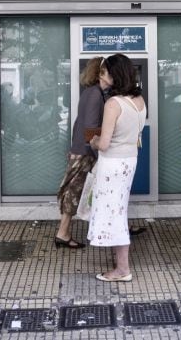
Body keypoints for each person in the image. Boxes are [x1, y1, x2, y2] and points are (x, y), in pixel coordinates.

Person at [87, 54, 146, 282]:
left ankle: (122, 269)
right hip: (129, 161)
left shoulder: (113, 104)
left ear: (114, 74)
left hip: (111, 164)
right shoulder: (139, 101)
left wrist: (92, 140)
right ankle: (120, 265)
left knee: (116, 214)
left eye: (105, 71)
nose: (103, 75)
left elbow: (103, 143)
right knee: (118, 210)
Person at [54, 56, 110, 249]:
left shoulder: (91, 92)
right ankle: (62, 233)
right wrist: (94, 154)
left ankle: (64, 232)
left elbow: (80, 123)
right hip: (85, 152)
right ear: (100, 73)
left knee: (73, 190)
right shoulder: (95, 94)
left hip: (80, 149)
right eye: (109, 71)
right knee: (74, 191)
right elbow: (90, 127)